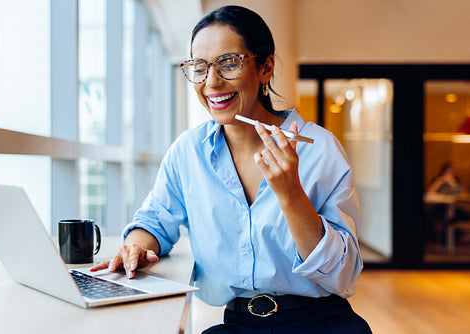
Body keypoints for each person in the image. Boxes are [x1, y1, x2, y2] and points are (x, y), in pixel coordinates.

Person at [91, 5, 371, 333]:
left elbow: (342, 273)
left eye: (229, 63)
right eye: (200, 67)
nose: (212, 82)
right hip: (237, 324)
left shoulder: (319, 149)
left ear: (266, 68)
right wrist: (136, 245)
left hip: (321, 323)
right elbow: (155, 221)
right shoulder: (188, 151)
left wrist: (291, 194)